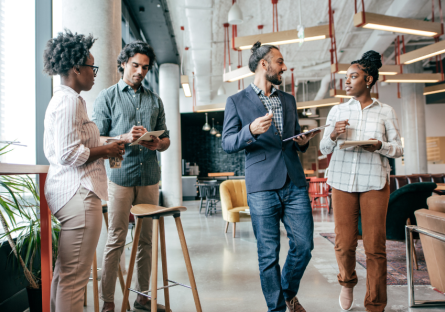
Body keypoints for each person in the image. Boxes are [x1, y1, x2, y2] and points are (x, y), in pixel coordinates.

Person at [221, 41, 319, 312]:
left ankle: (287, 292)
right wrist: (250, 130)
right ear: (264, 64)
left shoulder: (287, 100)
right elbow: (228, 143)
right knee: (268, 254)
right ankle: (276, 309)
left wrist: (302, 142)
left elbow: (295, 136)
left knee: (304, 244)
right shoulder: (236, 101)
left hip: (294, 182)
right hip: (262, 186)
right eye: (280, 62)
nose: (284, 67)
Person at [43, 30, 125, 312]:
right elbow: (69, 153)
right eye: (92, 67)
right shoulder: (69, 101)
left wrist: (113, 143)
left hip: (72, 193)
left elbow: (73, 145)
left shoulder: (65, 99)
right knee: (74, 280)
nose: (94, 73)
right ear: (76, 68)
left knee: (65, 274)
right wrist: (107, 151)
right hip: (79, 194)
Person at [320, 51, 403, 312]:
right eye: (346, 77)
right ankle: (347, 283)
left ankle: (375, 304)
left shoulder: (385, 111)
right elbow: (323, 147)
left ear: (368, 80)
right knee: (344, 244)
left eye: (352, 77)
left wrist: (379, 146)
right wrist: (334, 134)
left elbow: (398, 149)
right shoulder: (337, 110)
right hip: (342, 181)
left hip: (374, 183)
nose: (347, 82)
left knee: (375, 246)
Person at [93, 40, 170, 312]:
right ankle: (108, 302)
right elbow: (97, 138)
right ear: (124, 63)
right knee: (116, 238)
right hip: (119, 175)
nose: (140, 71)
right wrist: (124, 137)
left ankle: (142, 297)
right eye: (135, 65)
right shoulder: (106, 97)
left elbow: (167, 138)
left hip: (149, 176)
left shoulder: (154, 99)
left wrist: (158, 143)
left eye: (145, 67)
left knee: (146, 240)